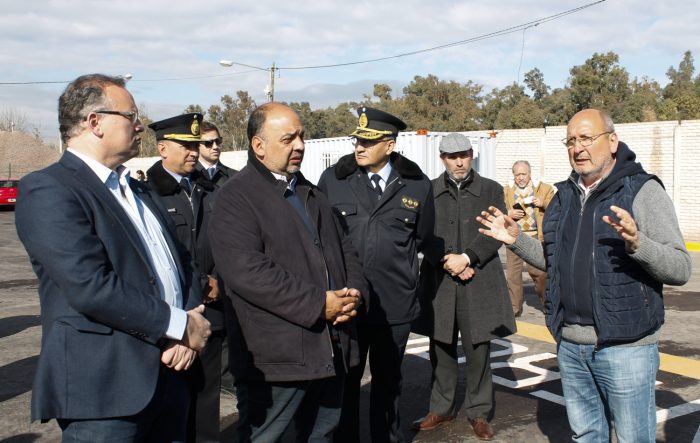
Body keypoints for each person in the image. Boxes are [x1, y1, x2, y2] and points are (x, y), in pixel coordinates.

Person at [14, 73, 211, 442]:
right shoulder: (50, 189)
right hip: (107, 391)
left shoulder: (137, 188)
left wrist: (189, 320)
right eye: (131, 115)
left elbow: (183, 262)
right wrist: (179, 325)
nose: (140, 125)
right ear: (94, 122)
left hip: (173, 375)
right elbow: (90, 286)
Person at [477, 109, 692, 442]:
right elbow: (554, 262)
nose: (578, 148)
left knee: (635, 437)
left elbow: (680, 268)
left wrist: (639, 244)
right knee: (585, 436)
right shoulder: (563, 196)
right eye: (571, 141)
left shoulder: (642, 190)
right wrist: (517, 240)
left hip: (627, 349)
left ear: (612, 141)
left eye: (587, 138)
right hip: (571, 346)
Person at [209, 102, 368, 442]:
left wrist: (353, 294)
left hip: (330, 348)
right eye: (288, 139)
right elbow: (248, 272)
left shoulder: (311, 192)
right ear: (258, 145)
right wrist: (317, 304)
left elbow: (345, 251)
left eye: (301, 136)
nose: (299, 145)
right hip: (276, 359)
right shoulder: (235, 197)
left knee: (321, 434)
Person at [317, 107, 435, 443]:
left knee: (387, 386)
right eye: (357, 140)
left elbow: (423, 237)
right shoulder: (333, 180)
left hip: (394, 305)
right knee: (346, 384)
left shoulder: (417, 185)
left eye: (368, 141)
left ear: (390, 144)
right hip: (348, 304)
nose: (359, 147)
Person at [411, 133, 515, 441]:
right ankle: (440, 408)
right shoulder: (428, 190)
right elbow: (421, 233)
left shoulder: (491, 190)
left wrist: (468, 258)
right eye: (452, 156)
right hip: (440, 281)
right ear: (442, 158)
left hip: (479, 279)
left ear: (472, 155)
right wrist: (447, 261)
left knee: (478, 349)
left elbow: (496, 232)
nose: (459, 161)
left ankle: (478, 411)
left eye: (464, 155)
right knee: (440, 347)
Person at [146, 113, 222, 443]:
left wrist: (218, 278)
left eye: (195, 145)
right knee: (169, 405)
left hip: (212, 311)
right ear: (163, 149)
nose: (193, 152)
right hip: (171, 316)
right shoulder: (148, 194)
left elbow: (227, 242)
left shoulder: (210, 189)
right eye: (185, 146)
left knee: (207, 399)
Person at [503, 160, 555, 316]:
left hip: (536, 238)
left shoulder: (544, 189)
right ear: (513, 175)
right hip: (514, 236)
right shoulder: (506, 191)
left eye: (523, 174)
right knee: (513, 275)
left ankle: (548, 304)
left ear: (530, 173)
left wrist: (543, 203)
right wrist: (508, 213)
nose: (520, 177)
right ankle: (515, 308)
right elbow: (497, 210)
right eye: (517, 174)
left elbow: (557, 208)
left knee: (540, 274)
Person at [196, 121, 236, 187]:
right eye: (208, 143)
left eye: (218, 141)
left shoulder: (234, 177)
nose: (215, 147)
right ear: (197, 145)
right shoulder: (188, 177)